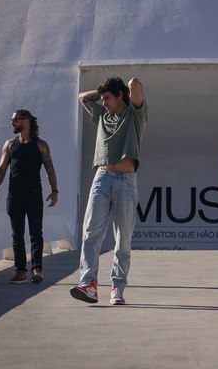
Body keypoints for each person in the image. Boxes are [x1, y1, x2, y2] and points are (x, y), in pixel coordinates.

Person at [70, 77, 147, 305]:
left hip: (126, 179)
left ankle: (118, 286)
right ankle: (88, 284)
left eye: (108, 98)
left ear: (121, 96)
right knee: (91, 232)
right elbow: (82, 97)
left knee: (122, 236)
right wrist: (103, 91)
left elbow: (135, 84)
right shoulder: (103, 114)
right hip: (102, 177)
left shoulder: (135, 115)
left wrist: (119, 89)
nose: (103, 103)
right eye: (102, 99)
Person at [0, 110, 58, 284]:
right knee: (17, 234)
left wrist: (54, 191)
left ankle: (37, 269)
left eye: (15, 120)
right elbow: (2, 168)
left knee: (36, 233)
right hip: (14, 196)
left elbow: (50, 169)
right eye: (12, 120)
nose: (12, 123)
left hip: (34, 195)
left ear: (26, 121)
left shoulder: (41, 145)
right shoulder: (9, 144)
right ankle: (20, 271)